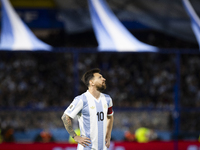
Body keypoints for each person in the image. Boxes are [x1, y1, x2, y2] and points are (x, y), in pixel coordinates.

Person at [61, 68, 114, 150]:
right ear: (91, 82)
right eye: (100, 77)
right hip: (87, 147)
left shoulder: (107, 99)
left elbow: (110, 116)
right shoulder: (81, 99)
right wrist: (75, 137)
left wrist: (108, 134)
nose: (104, 79)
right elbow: (65, 117)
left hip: (103, 147)